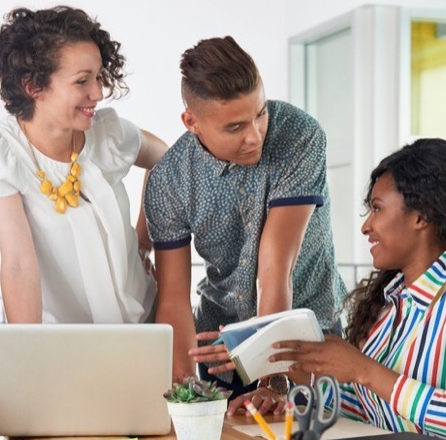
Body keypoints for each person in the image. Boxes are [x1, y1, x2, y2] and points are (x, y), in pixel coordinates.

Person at [271, 138, 446, 440]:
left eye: (376, 208)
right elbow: (372, 409)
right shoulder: (390, 302)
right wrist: (299, 374)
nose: (366, 226)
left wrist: (364, 370)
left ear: (422, 216)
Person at [144, 36, 346, 415]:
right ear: (192, 122)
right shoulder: (169, 179)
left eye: (260, 113)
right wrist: (189, 390)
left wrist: (273, 379)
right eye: (235, 127)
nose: (255, 136)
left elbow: (275, 269)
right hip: (221, 345)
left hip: (301, 337)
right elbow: (173, 297)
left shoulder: (299, 136)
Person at [0, 5, 167, 323]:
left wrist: (144, 240)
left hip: (145, 322)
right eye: (82, 81)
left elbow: (165, 161)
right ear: (33, 86)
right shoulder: (0, 150)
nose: (98, 92)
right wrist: (27, 357)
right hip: (64, 340)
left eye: (99, 77)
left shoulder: (109, 133)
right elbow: (19, 264)